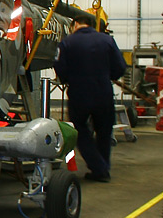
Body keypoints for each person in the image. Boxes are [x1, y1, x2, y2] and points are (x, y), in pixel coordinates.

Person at [52, 14, 127, 182]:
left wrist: (67, 79)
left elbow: (59, 66)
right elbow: (121, 67)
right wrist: (107, 75)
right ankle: (102, 169)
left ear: (76, 24)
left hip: (79, 92)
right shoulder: (107, 40)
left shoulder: (67, 42)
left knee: (80, 130)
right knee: (104, 131)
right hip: (103, 91)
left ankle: (99, 167)